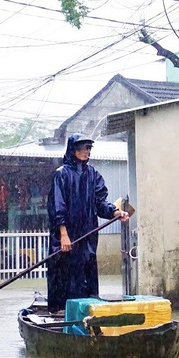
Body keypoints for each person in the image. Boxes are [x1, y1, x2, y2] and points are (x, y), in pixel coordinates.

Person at [46, 133, 129, 314]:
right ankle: (61, 310)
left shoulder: (93, 175)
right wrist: (64, 234)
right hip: (66, 236)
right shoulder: (61, 175)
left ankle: (87, 311)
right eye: (83, 148)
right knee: (64, 272)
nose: (86, 152)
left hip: (87, 235)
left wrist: (115, 212)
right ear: (73, 149)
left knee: (86, 271)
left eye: (89, 148)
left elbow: (100, 203)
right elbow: (57, 206)